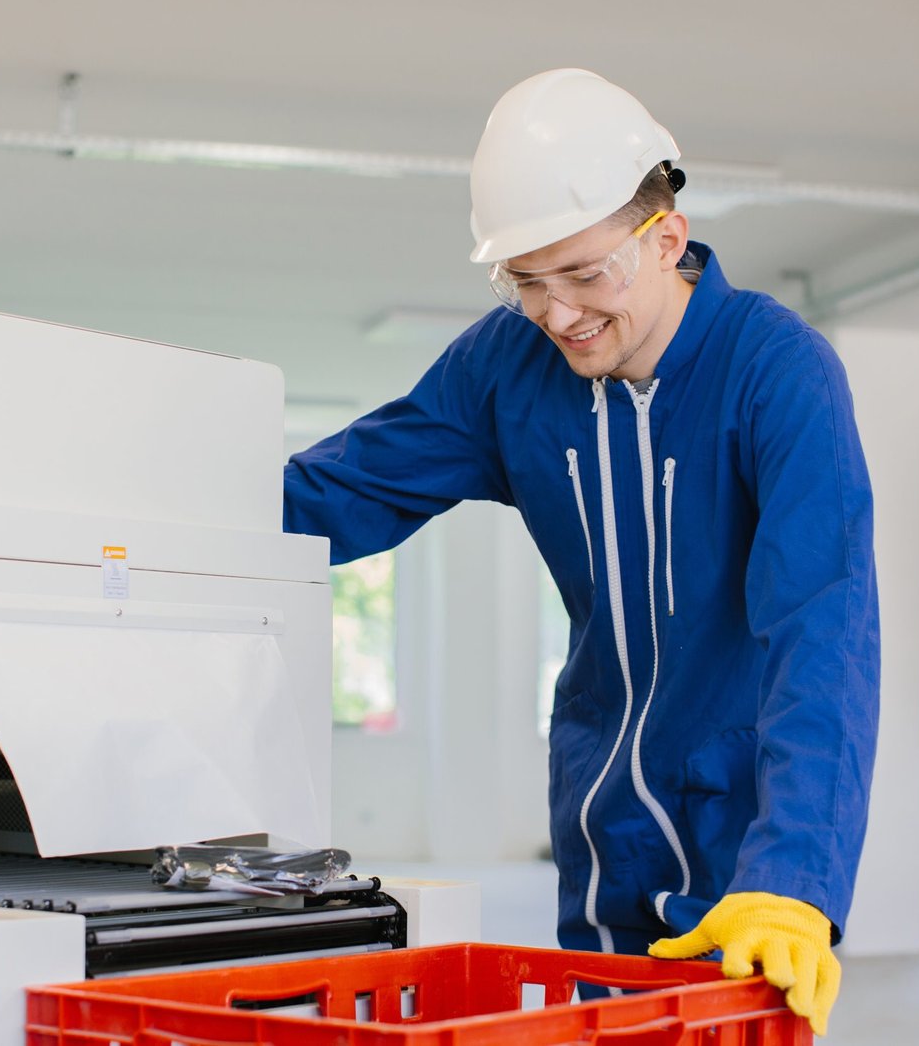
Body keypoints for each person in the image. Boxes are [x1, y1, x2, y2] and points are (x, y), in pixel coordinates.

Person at [283, 69, 880, 1036]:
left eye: (585, 274)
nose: (558, 315)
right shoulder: (503, 368)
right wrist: (171, 519)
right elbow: (340, 490)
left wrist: (793, 877)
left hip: (748, 847)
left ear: (667, 239)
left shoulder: (776, 372)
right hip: (604, 833)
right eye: (526, 282)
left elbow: (824, 630)